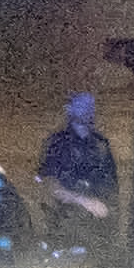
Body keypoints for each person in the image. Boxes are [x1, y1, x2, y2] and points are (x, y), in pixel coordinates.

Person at [34, 91, 118, 254]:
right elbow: (49, 184)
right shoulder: (58, 143)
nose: (87, 110)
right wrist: (83, 201)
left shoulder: (101, 144)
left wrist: (109, 211)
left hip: (98, 229)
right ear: (70, 110)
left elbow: (112, 187)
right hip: (65, 226)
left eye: (90, 107)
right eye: (81, 106)